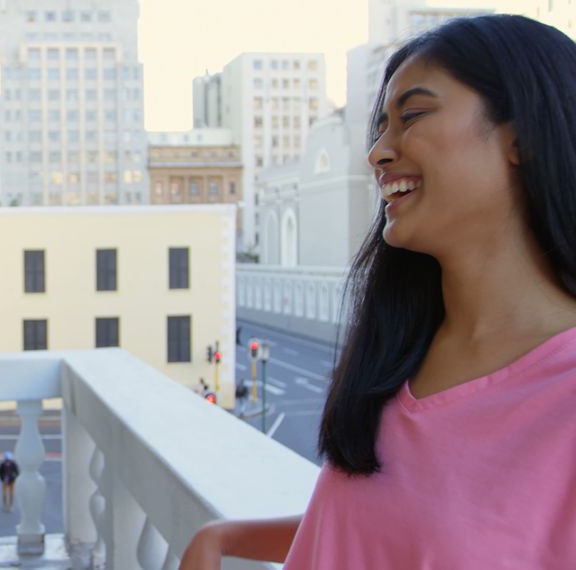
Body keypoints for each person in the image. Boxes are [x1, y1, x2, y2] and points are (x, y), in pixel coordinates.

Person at [182, 15, 576, 569]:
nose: (378, 153)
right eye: (380, 128)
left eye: (412, 116)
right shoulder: (401, 347)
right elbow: (387, 525)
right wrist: (227, 537)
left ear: (523, 139)